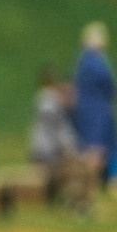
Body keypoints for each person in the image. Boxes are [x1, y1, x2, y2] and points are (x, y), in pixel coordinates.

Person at [71, 22, 117, 191]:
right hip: (98, 109)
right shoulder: (98, 62)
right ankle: (94, 182)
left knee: (90, 145)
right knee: (97, 147)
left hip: (85, 108)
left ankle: (89, 181)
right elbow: (110, 84)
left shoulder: (82, 60)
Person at [29, 66, 83, 211]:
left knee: (78, 166)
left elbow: (65, 134)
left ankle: (75, 202)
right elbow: (58, 134)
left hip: (49, 154)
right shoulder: (51, 105)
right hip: (46, 155)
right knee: (76, 169)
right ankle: (75, 204)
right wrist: (73, 153)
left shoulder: (59, 108)